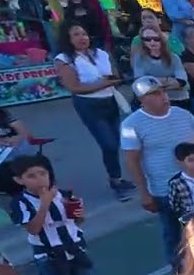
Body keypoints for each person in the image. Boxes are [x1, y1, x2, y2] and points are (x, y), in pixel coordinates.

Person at [121, 76, 194, 267]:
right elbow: (133, 161)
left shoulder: (183, 114)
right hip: (164, 189)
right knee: (173, 234)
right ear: (141, 100)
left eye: (162, 91)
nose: (162, 96)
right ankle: (181, 272)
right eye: (154, 93)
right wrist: (144, 193)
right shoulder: (132, 124)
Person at [53, 23, 134, 201]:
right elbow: (74, 87)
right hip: (89, 105)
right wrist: (102, 83)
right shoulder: (64, 59)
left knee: (115, 141)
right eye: (76, 34)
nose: (82, 38)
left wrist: (109, 81)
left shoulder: (101, 54)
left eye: (84, 33)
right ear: (68, 39)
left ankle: (118, 178)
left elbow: (114, 76)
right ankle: (115, 181)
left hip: (110, 101)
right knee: (108, 144)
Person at [132, 26, 191, 112]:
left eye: (156, 39)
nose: (152, 42)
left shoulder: (174, 58)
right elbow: (140, 82)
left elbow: (181, 81)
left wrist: (153, 82)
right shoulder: (139, 59)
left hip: (177, 100)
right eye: (147, 39)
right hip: (153, 102)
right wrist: (168, 80)